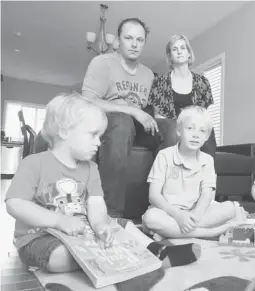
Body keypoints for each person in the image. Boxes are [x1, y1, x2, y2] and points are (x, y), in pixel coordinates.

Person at [4, 93, 201, 273]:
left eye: (100, 136)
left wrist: (99, 225)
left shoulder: (91, 168)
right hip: (39, 237)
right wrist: (59, 221)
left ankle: (156, 251)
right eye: (93, 135)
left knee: (124, 226)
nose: (99, 142)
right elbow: (15, 204)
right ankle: (118, 258)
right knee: (60, 257)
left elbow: (96, 204)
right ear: (64, 131)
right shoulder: (34, 163)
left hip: (85, 233)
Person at [81, 17, 159, 218]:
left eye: (140, 40)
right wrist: (132, 111)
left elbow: (152, 110)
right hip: (110, 123)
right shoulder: (102, 62)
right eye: (129, 38)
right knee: (122, 122)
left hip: (138, 126)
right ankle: (110, 216)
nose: (134, 44)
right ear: (117, 40)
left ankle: (169, 207)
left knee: (169, 128)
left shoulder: (149, 74)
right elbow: (87, 100)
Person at [142, 106, 242, 239]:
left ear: (206, 136)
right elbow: (153, 196)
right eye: (190, 128)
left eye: (202, 131)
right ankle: (210, 233)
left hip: (196, 213)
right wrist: (179, 216)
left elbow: (207, 194)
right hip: (169, 212)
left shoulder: (207, 160)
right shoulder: (164, 155)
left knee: (230, 208)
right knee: (151, 218)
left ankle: (170, 232)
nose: (196, 135)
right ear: (179, 130)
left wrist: (193, 217)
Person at [148, 34, 217, 158]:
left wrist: (193, 129)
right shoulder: (160, 81)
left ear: (189, 53)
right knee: (172, 130)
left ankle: (205, 175)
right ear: (170, 57)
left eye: (183, 48)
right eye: (175, 49)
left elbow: (203, 114)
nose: (179, 51)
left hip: (194, 126)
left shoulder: (202, 82)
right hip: (170, 128)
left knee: (208, 131)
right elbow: (159, 117)